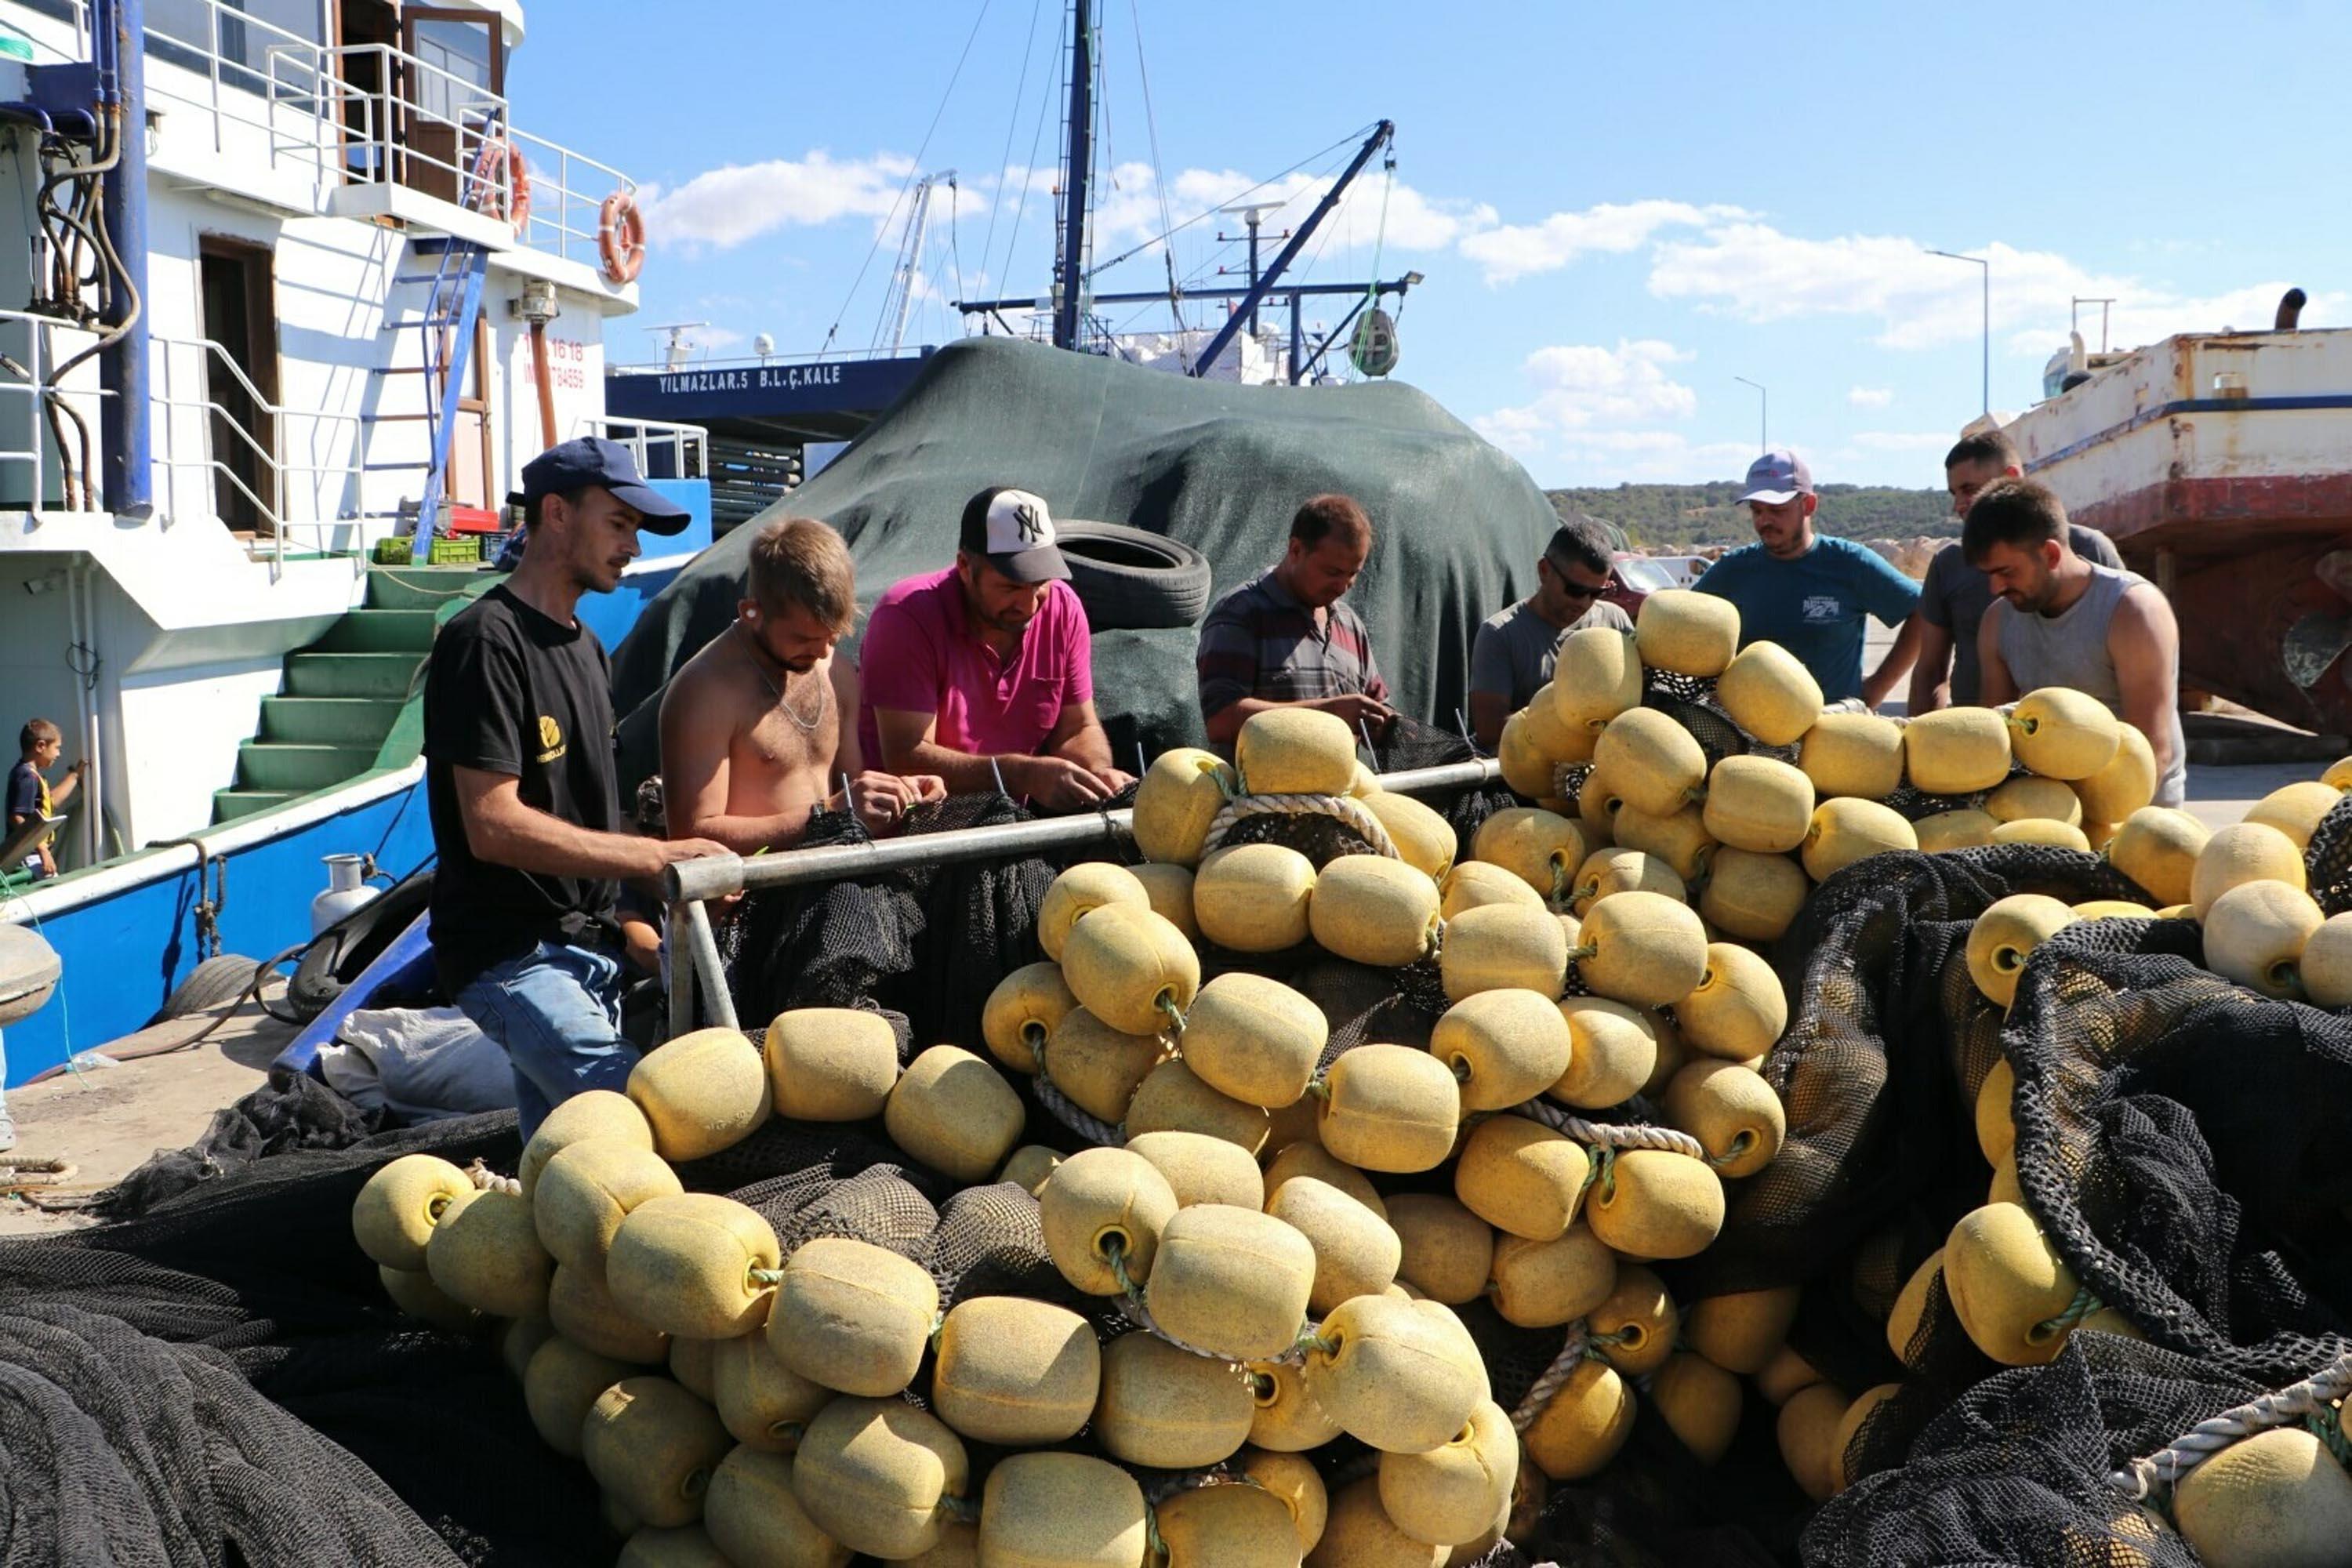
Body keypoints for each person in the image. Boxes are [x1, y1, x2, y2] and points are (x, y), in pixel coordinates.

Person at [423, 437, 728, 1139]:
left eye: (636, 530)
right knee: (652, 1122)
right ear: (556, 513)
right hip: (510, 957)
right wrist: (655, 857)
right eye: (619, 524)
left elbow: (591, 814)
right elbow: (492, 825)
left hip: (589, 955)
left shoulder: (588, 649)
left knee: (570, 1165)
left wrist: (654, 901)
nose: (632, 547)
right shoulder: (484, 642)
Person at [662, 515, 943, 851]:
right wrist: (828, 815)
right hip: (755, 882)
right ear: (751, 612)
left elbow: (852, 792)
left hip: (836, 873)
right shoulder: (705, 692)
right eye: (803, 639)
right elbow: (692, 835)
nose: (822, 651)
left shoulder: (836, 673)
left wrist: (900, 794)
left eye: (832, 636)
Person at [858, 487, 1132, 811]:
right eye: (1011, 586)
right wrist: (1021, 775)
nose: (1030, 605)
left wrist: (1097, 774)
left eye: (1040, 583)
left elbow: (1078, 728)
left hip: (1009, 821)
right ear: (964, 566)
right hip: (914, 826)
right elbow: (906, 756)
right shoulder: (906, 617)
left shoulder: (1064, 609)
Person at [1970, 477, 2187, 807]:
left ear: (2051, 554)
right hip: (2049, 809)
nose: (1996, 587)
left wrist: (2091, 825)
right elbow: (1997, 739)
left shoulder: (2132, 611)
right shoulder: (1997, 622)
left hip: (2135, 813)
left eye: (2007, 572)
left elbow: (2151, 752)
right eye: (1989, 574)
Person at [1907, 430, 2123, 713]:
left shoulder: (2088, 549)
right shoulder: (1949, 564)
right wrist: (1923, 735)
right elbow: (1930, 670)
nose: (1958, 505)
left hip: (2080, 730)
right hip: (1984, 731)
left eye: (1969, 489)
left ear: (2011, 477)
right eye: (1954, 493)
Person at [1692, 448, 1920, 706]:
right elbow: (1686, 621)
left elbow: (1922, 612)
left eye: (1777, 510)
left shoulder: (1850, 563)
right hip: (1750, 724)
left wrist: (1878, 687)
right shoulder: (1733, 570)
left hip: (1833, 723)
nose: (1765, 521)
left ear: (1809, 505)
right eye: (1757, 511)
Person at [1196, 493, 1394, 749]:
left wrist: (1387, 725)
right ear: (1296, 550)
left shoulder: (1350, 625)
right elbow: (1221, 722)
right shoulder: (1240, 613)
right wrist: (1329, 714)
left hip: (1341, 777)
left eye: (1353, 574)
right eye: (1333, 572)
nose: (1343, 586)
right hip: (1258, 777)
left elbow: (1380, 710)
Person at [1468, 514, 1634, 748]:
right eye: (1575, 590)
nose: (1584, 603)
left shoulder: (1615, 621)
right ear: (1544, 570)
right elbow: (1490, 730)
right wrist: (1575, 720)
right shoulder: (1500, 635)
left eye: (1598, 593)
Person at [6, 720, 82, 881]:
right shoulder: (27, 777)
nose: (59, 754)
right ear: (40, 746)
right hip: (29, 856)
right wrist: (43, 851)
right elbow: (17, 817)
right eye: (57, 748)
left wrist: (75, 775)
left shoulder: (32, 775)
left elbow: (50, 801)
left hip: (34, 853)